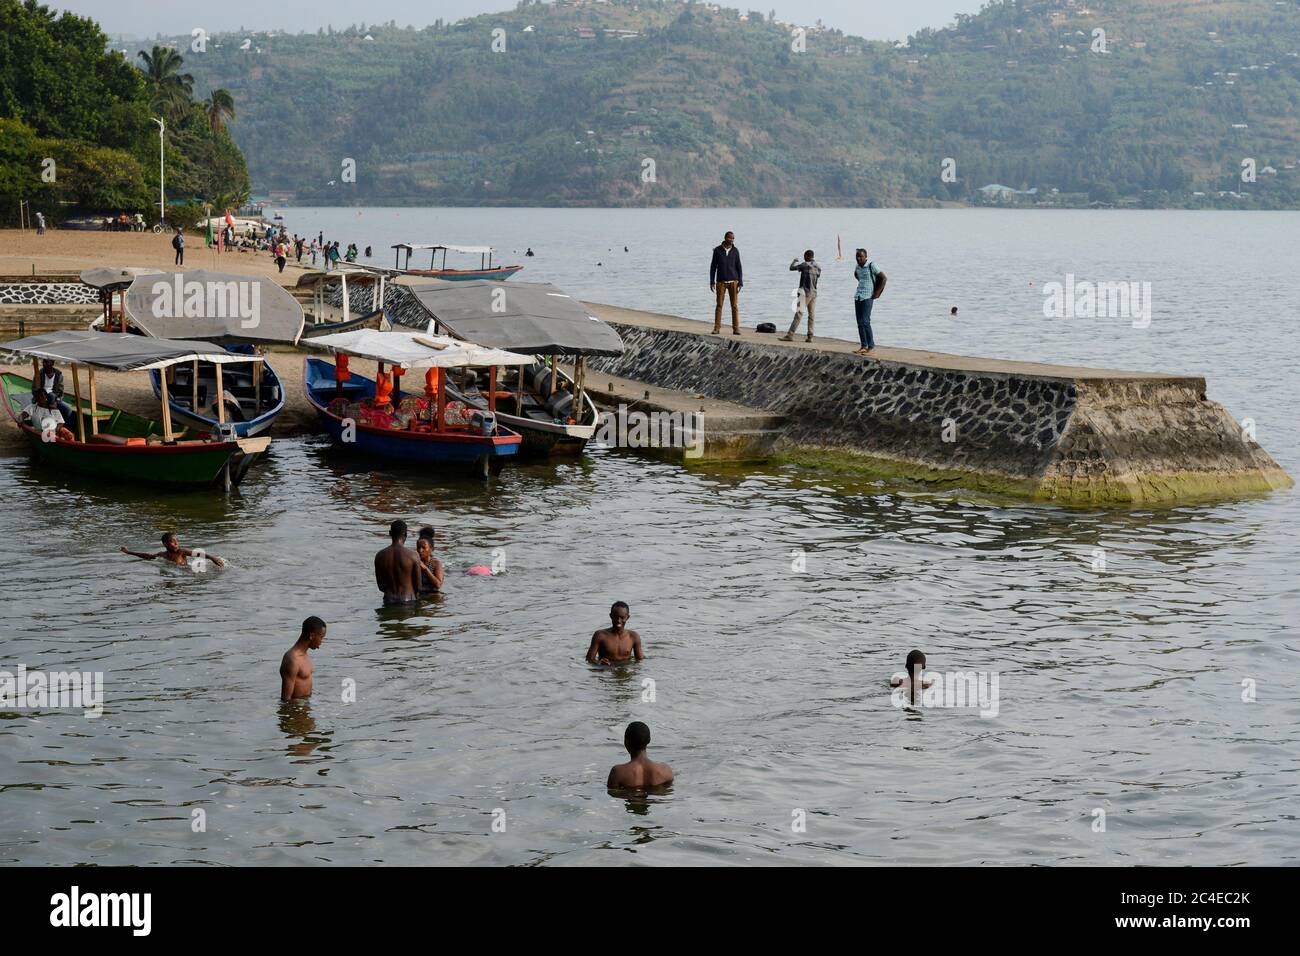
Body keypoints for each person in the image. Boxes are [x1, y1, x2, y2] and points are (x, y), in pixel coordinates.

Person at [607, 721, 674, 789]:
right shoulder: (666, 770)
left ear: (626, 742)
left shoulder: (618, 773)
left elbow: (612, 794)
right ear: (649, 740)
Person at [374, 519, 422, 606]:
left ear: (390, 533)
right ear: (406, 534)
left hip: (388, 601)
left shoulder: (379, 556)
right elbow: (418, 586)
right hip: (408, 601)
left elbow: (380, 586)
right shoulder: (413, 555)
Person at [280, 616, 327, 701]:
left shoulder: (305, 655)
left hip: (305, 709)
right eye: (321, 637)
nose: (322, 641)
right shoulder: (292, 660)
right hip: (296, 712)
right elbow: (285, 701)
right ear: (312, 635)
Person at [119, 532, 226, 568]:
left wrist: (212, 558)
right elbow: (147, 556)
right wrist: (128, 552)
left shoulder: (181, 552)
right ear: (165, 544)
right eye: (172, 541)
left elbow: (198, 553)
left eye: (177, 541)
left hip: (188, 572)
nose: (176, 543)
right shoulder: (162, 555)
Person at [585, 601, 644, 665]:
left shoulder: (634, 637)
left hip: (624, 671)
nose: (618, 621)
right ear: (611, 616)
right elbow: (589, 659)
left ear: (627, 617)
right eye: (616, 617)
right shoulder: (600, 636)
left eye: (622, 617)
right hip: (606, 672)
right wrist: (599, 663)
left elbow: (640, 661)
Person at [781, 249, 821, 342]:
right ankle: (810, 336)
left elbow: (791, 268)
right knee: (811, 315)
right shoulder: (818, 267)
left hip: (804, 293)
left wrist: (794, 261)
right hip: (814, 293)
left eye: (804, 256)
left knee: (799, 314)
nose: (804, 257)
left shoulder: (804, 265)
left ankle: (790, 335)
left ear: (807, 256)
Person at [709, 231, 743, 335]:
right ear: (725, 238)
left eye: (733, 239)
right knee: (719, 305)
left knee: (734, 306)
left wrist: (740, 282)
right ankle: (716, 328)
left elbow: (739, 267)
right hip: (721, 282)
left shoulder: (735, 251)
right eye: (730, 238)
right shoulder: (717, 250)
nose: (731, 240)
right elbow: (713, 267)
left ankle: (736, 328)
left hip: (733, 282)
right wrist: (712, 281)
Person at [852, 248, 883, 355]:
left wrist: (877, 293)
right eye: (857, 256)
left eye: (861, 256)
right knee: (860, 323)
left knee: (865, 321)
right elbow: (857, 276)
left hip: (868, 297)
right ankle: (863, 346)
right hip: (858, 296)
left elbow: (883, 278)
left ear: (866, 257)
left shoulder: (871, 265)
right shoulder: (857, 267)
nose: (859, 258)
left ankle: (871, 346)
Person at [30, 358, 74, 426]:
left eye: (47, 362)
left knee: (68, 410)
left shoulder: (58, 374)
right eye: (44, 362)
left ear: (52, 363)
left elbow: (60, 391)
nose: (44, 364)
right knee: (51, 396)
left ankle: (66, 428)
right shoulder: (39, 374)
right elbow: (34, 389)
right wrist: (41, 399)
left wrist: (57, 401)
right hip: (42, 398)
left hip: (54, 399)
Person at [415, 526, 444, 595]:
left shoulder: (436, 563)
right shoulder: (414, 561)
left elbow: (438, 585)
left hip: (433, 597)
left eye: (423, 548)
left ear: (431, 549)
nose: (420, 550)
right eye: (418, 547)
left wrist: (425, 569)